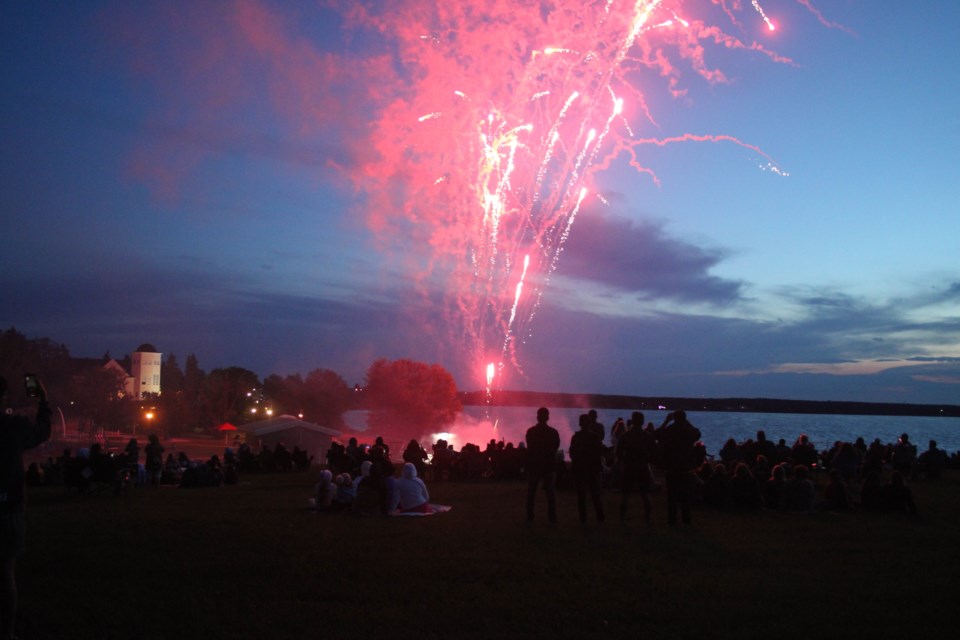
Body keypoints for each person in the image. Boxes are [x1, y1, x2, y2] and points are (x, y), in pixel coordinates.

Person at [0, 375, 52, 640]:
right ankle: (6, 633)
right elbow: (42, 431)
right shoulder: (12, 427)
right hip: (7, 508)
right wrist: (43, 399)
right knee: (6, 571)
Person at [655, 410, 701, 526]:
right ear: (684, 418)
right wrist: (687, 422)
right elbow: (697, 433)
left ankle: (672, 519)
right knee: (685, 495)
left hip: (671, 466)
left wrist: (666, 421)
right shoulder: (688, 431)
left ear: (674, 418)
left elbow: (657, 434)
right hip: (685, 467)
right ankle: (686, 519)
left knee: (672, 496)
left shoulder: (670, 430)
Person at [616, 411, 656, 524]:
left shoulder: (625, 436)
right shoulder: (648, 437)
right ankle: (647, 519)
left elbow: (618, 453)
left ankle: (622, 519)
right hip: (642, 467)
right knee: (645, 494)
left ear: (632, 421)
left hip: (629, 467)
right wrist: (647, 460)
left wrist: (625, 461)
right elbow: (654, 453)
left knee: (625, 494)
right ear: (642, 421)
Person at [525, 407, 560, 524]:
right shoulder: (553, 432)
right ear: (548, 417)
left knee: (531, 492)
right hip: (549, 465)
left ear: (537, 417)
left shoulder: (531, 432)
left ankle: (530, 517)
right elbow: (555, 447)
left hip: (534, 465)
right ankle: (552, 518)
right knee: (550, 493)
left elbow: (530, 448)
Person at [568, 414, 605, 524]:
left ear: (580, 423)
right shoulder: (594, 437)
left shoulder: (576, 437)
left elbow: (572, 453)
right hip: (592, 469)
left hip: (580, 469)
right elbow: (599, 453)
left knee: (581, 496)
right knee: (595, 495)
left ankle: (583, 519)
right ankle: (600, 517)